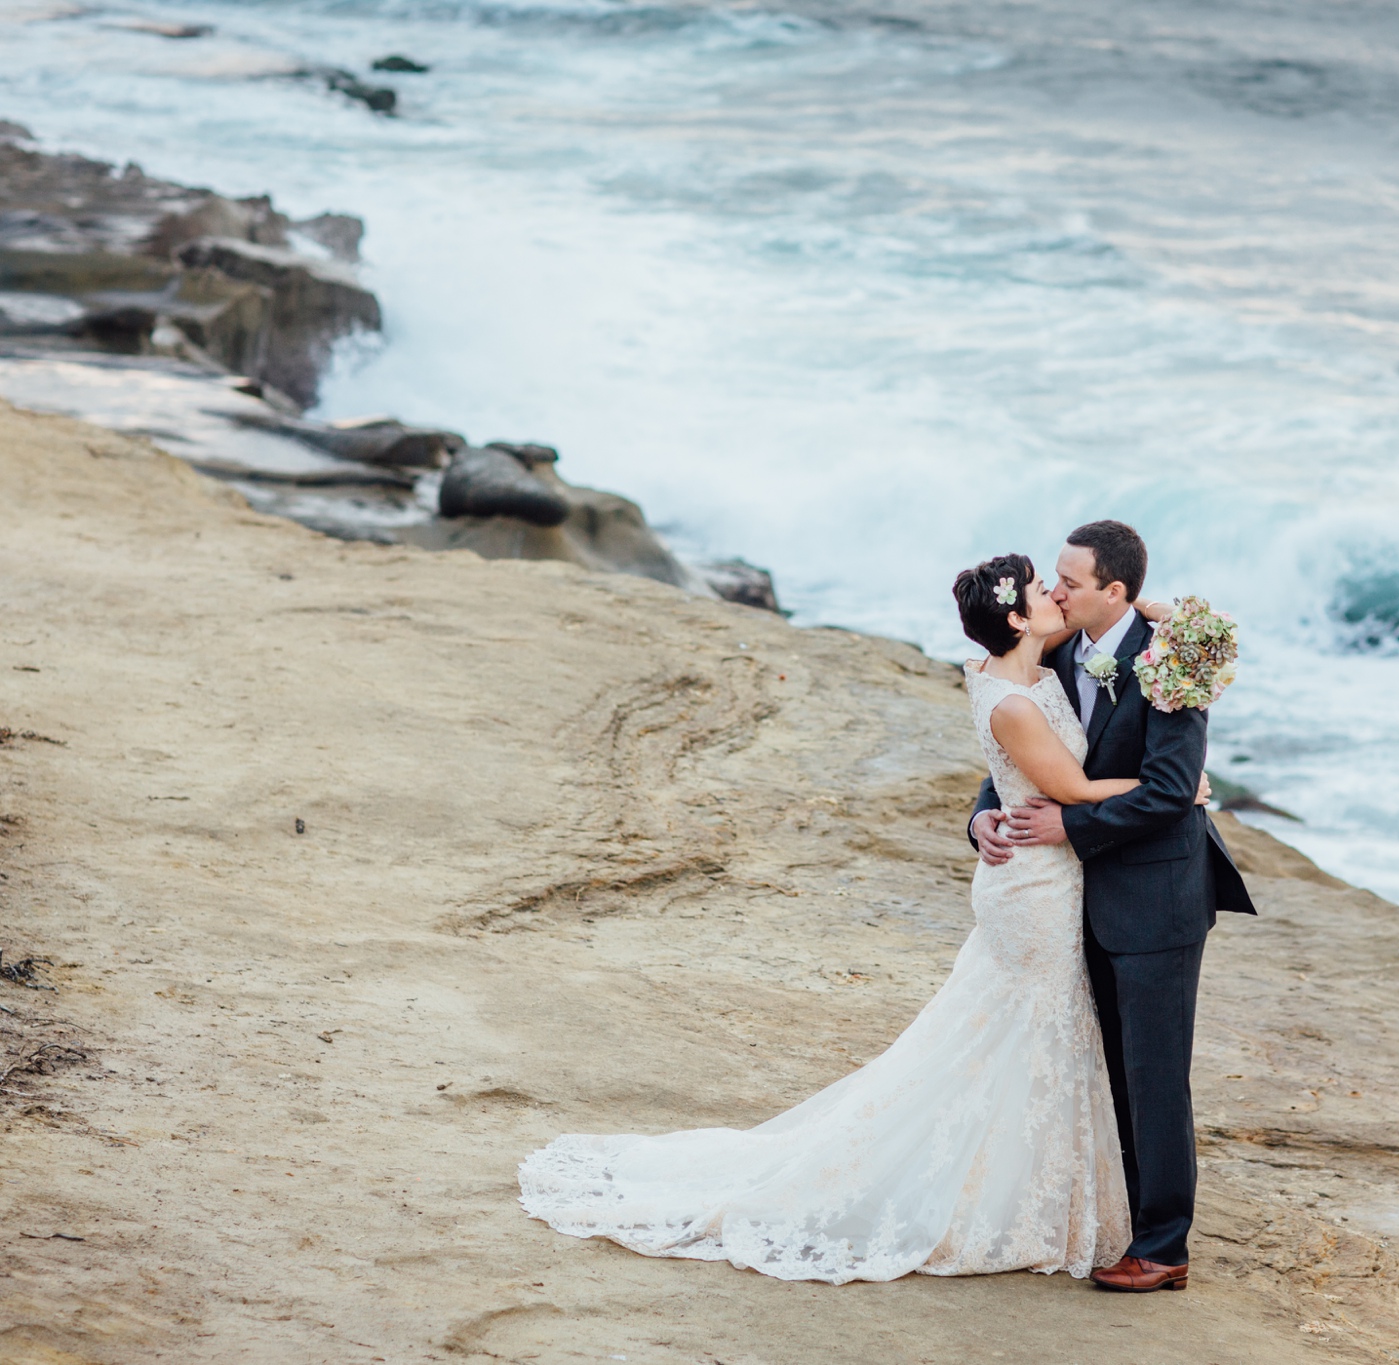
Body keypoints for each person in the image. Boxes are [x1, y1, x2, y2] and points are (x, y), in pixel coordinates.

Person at [517, 553, 1186, 1284]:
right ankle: (992, 1201)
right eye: (1041, 588)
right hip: (1034, 891)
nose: (1055, 594)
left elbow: (1050, 715)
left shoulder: (1037, 659)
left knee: (1020, 1039)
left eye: (1066, 582)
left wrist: (1160, 619)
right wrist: (1180, 787)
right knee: (1027, 1034)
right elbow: (1072, 783)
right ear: (1019, 617)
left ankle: (1031, 1197)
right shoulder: (1018, 693)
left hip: (1050, 882)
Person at [972, 519, 1256, 1294]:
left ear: (1116, 592)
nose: (1056, 590)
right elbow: (1020, 753)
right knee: (1109, 1072)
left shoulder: (1173, 661)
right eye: (1054, 579)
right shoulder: (1059, 648)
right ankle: (1119, 1219)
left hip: (1158, 895)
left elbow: (1171, 791)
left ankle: (1165, 1248)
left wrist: (1071, 821)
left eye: (1071, 581)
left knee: (1155, 1074)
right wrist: (981, 814)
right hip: (1073, 903)